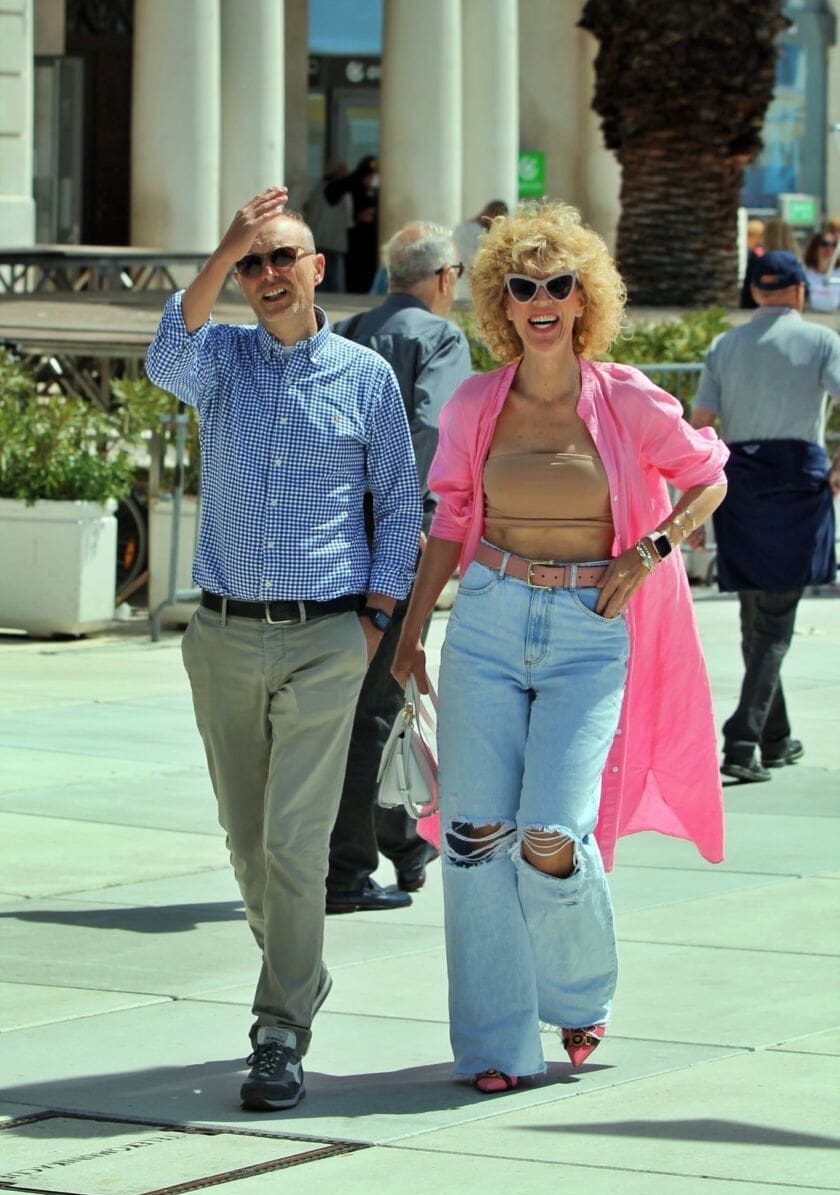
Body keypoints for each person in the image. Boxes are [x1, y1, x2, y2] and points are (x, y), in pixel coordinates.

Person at [391, 201, 729, 1093]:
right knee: (475, 837)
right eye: (522, 287)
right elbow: (451, 518)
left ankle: (579, 993)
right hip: (489, 620)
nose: (541, 302)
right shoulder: (476, 402)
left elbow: (708, 476)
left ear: (585, 298)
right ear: (502, 303)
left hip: (588, 628)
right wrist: (413, 630)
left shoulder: (626, 397)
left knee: (550, 832)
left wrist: (651, 549)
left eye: (558, 285)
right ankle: (495, 1047)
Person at [145, 186, 422, 1111]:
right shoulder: (221, 360)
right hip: (223, 634)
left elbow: (400, 504)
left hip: (325, 638)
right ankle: (301, 972)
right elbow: (164, 353)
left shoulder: (365, 377)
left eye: (281, 257)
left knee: (294, 844)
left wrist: (375, 621)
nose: (266, 274)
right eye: (253, 263)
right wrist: (221, 250)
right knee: (247, 844)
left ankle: (280, 1030)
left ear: (316, 269)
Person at [326, 221, 473, 913]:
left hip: (332, 542)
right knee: (380, 704)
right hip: (395, 540)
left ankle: (403, 843)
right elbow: (433, 428)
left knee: (350, 702)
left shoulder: (348, 330)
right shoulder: (439, 338)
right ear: (444, 277)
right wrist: (416, 519)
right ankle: (348, 870)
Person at [692, 250, 840, 783]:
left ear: (755, 292)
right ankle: (743, 740)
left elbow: (701, 424)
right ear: (799, 291)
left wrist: (693, 507)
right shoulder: (822, 340)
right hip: (798, 480)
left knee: (754, 616)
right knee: (774, 621)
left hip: (741, 485)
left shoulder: (724, 345)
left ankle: (775, 737)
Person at [327, 155, 380, 293]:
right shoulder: (353, 184)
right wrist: (358, 216)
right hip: (355, 239)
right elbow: (331, 195)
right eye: (369, 176)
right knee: (354, 273)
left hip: (374, 238)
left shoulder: (380, 190)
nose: (371, 180)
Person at [304, 162, 353, 292]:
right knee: (332, 287)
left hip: (322, 242)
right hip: (329, 245)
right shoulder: (330, 189)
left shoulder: (318, 189)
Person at [454, 200, 510, 300]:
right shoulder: (477, 234)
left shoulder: (461, 228)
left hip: (458, 284)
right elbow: (476, 263)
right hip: (469, 288)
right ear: (492, 213)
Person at [740, 217, 800, 309]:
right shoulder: (795, 261)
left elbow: (748, 291)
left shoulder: (759, 258)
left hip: (761, 309)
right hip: (790, 310)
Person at [802, 229, 840, 313]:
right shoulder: (804, 272)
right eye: (824, 244)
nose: (829, 248)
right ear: (814, 247)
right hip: (811, 318)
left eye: (834, 245)